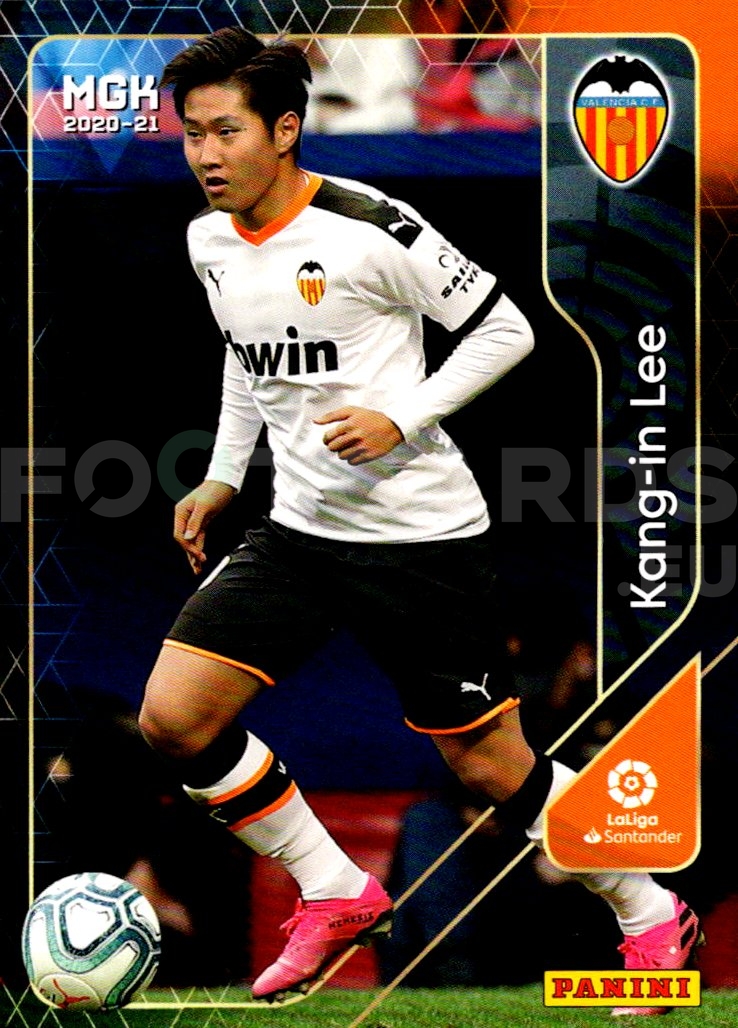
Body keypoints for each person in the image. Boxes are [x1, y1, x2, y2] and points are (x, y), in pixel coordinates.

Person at [138, 26, 701, 1011]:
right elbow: (244, 349)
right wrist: (224, 474)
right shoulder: (208, 240)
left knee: (490, 766)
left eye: (227, 132)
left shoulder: (371, 227)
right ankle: (335, 888)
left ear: (285, 128)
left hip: (419, 538)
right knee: (174, 719)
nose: (207, 155)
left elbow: (505, 329)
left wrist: (401, 415)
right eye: (193, 134)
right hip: (298, 532)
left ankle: (649, 907)